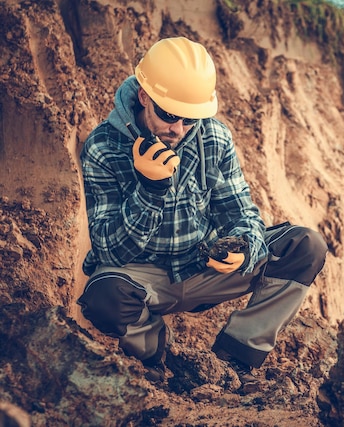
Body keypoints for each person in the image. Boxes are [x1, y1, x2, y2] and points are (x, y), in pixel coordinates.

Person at [76, 37, 328, 387]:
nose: (178, 129)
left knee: (305, 246)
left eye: (190, 118)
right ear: (145, 96)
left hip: (203, 267)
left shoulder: (214, 138)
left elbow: (241, 211)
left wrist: (243, 245)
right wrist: (149, 191)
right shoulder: (102, 147)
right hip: (142, 277)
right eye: (168, 115)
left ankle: (235, 359)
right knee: (104, 296)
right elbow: (109, 250)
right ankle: (153, 358)